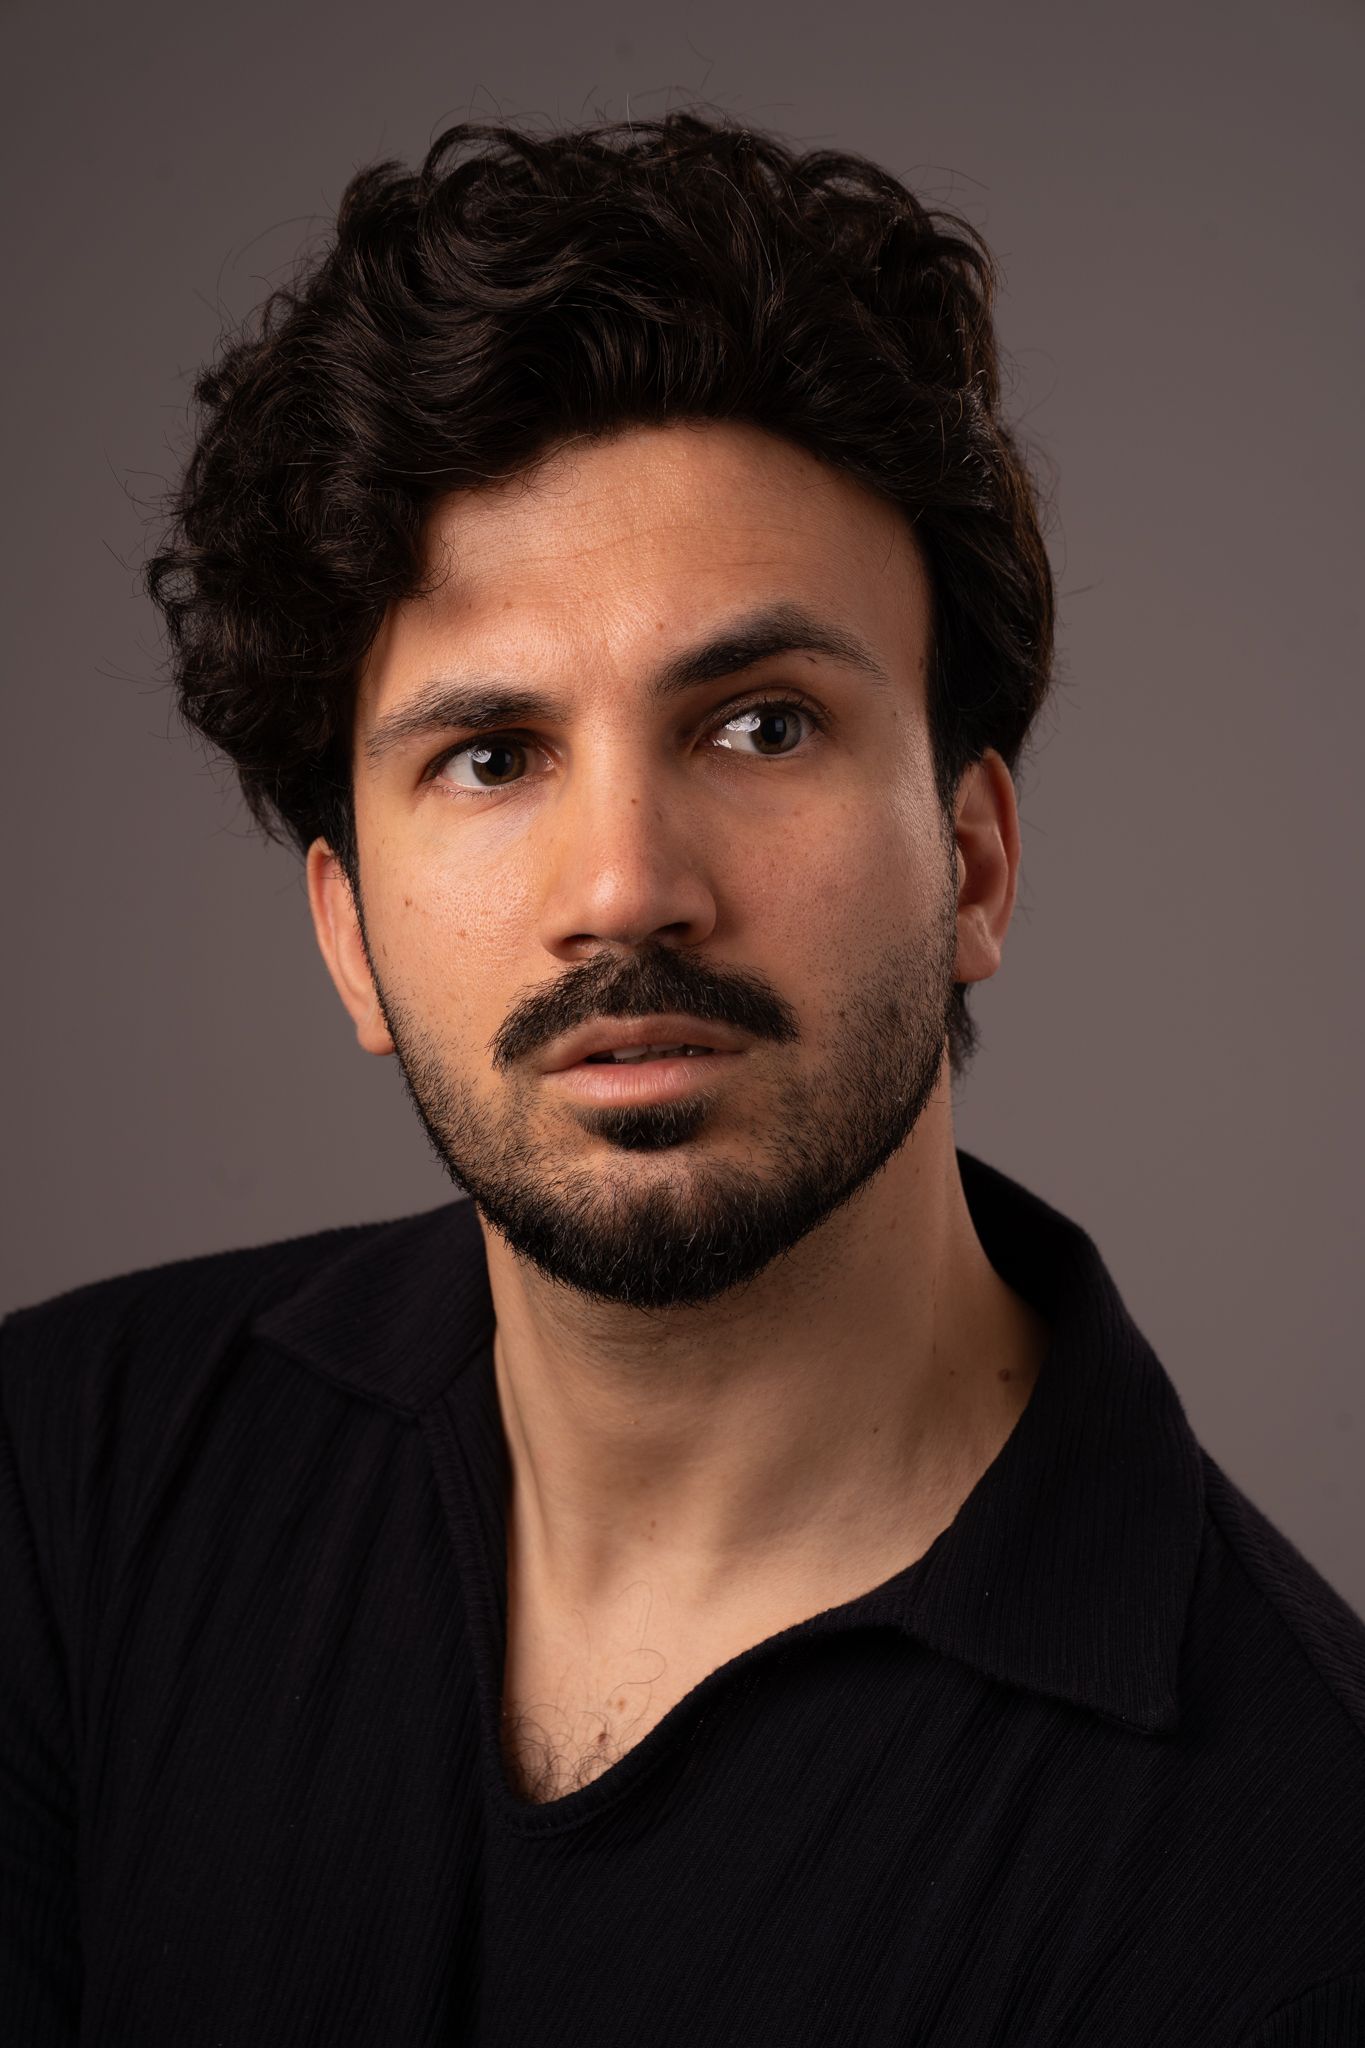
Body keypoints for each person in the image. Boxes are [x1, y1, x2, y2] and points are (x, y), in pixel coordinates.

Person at [2, 112, 1361, 2047]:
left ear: (972, 864)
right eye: (490, 757)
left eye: (758, 725)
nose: (626, 887)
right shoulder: (69, 1485)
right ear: (349, 935)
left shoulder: (1293, 1882)